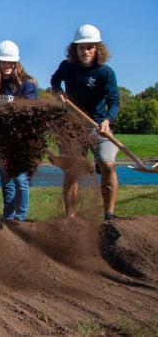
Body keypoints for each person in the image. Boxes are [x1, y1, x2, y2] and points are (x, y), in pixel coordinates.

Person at [50, 24, 120, 220]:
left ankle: (109, 214)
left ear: (97, 48)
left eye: (90, 47)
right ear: (75, 49)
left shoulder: (106, 73)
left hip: (98, 126)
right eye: (81, 47)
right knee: (73, 170)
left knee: (107, 165)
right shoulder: (67, 67)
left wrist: (107, 120)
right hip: (72, 126)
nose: (85, 51)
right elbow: (55, 81)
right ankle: (70, 217)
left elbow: (114, 102)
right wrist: (59, 92)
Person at [0, 40, 38, 222]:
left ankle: (19, 218)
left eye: (10, 62)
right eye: (3, 62)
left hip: (20, 139)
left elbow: (30, 110)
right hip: (2, 138)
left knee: (20, 180)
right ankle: (8, 217)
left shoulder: (26, 84)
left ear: (16, 63)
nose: (6, 65)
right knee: (6, 180)